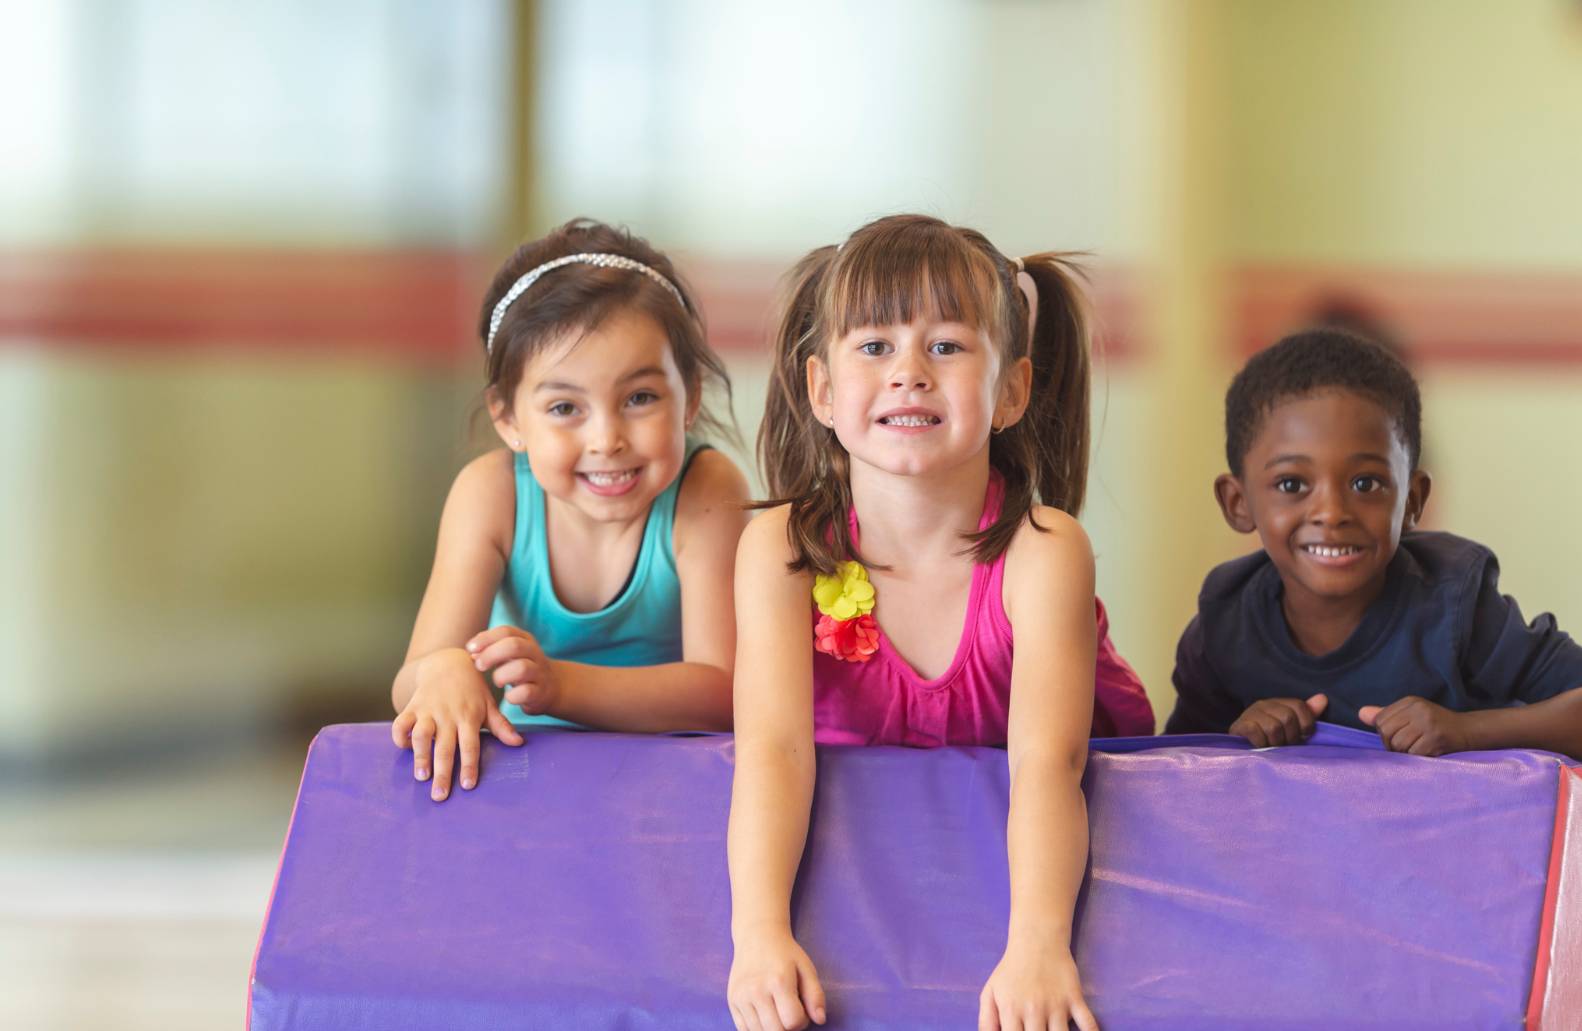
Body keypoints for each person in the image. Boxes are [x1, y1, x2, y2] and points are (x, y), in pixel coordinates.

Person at [726, 215, 1153, 1031]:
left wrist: (1036, 944)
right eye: (875, 347)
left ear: (1012, 392)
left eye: (948, 347)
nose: (909, 374)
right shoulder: (779, 549)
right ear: (821, 389)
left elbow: (1045, 766)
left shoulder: (1045, 552)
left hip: (1032, 848)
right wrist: (759, 935)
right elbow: (772, 750)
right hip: (884, 863)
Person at [1165, 328, 1582, 762]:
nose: (1332, 512)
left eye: (1366, 484)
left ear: (1413, 500)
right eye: (1292, 485)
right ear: (1237, 503)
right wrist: (1235, 742)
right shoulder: (1223, 626)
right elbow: (1174, 778)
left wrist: (1467, 731)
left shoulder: (1454, 608)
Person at [389, 219, 750, 802]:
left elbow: (726, 691)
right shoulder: (492, 494)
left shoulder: (706, 490)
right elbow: (411, 680)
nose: (607, 438)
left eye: (640, 398)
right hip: (527, 780)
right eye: (565, 407)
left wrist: (560, 686)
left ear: (691, 397)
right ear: (509, 420)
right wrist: (443, 670)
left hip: (677, 787)